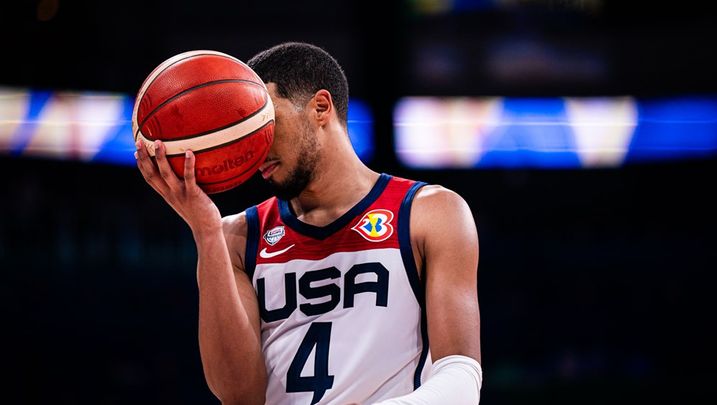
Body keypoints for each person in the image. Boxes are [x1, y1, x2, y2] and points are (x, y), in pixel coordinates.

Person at [135, 42, 482, 405]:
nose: (256, 148)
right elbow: (239, 396)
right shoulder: (236, 236)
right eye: (246, 133)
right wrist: (205, 232)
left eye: (267, 124)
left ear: (320, 107)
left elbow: (460, 380)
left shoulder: (429, 213)